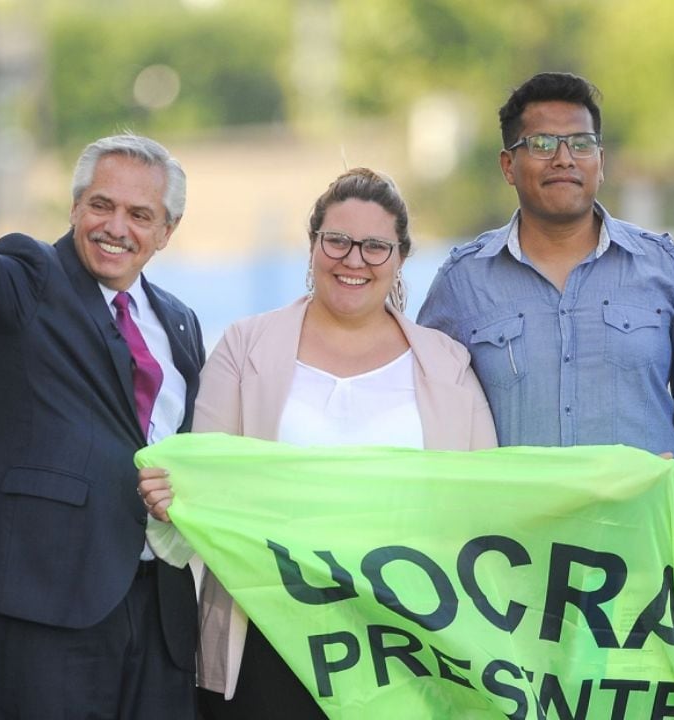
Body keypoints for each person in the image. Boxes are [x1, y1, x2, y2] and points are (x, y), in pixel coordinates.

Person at [0, 62, 204, 719]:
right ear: (75, 206)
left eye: (140, 214)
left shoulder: (181, 321)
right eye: (100, 205)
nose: (116, 226)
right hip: (44, 600)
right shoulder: (30, 277)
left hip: (160, 606)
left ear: (166, 232)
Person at [138, 168, 497, 718]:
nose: (354, 260)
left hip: (409, 639)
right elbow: (208, 478)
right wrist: (176, 502)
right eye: (337, 241)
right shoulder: (245, 346)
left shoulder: (447, 364)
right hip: (270, 634)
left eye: (376, 246)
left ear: (401, 257)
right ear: (313, 246)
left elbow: (488, 504)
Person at [417, 71, 674, 495]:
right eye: (542, 144)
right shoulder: (463, 283)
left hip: (646, 539)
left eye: (581, 144)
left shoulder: (661, 267)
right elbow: (424, 418)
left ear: (600, 163)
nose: (564, 159)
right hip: (515, 548)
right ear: (508, 166)